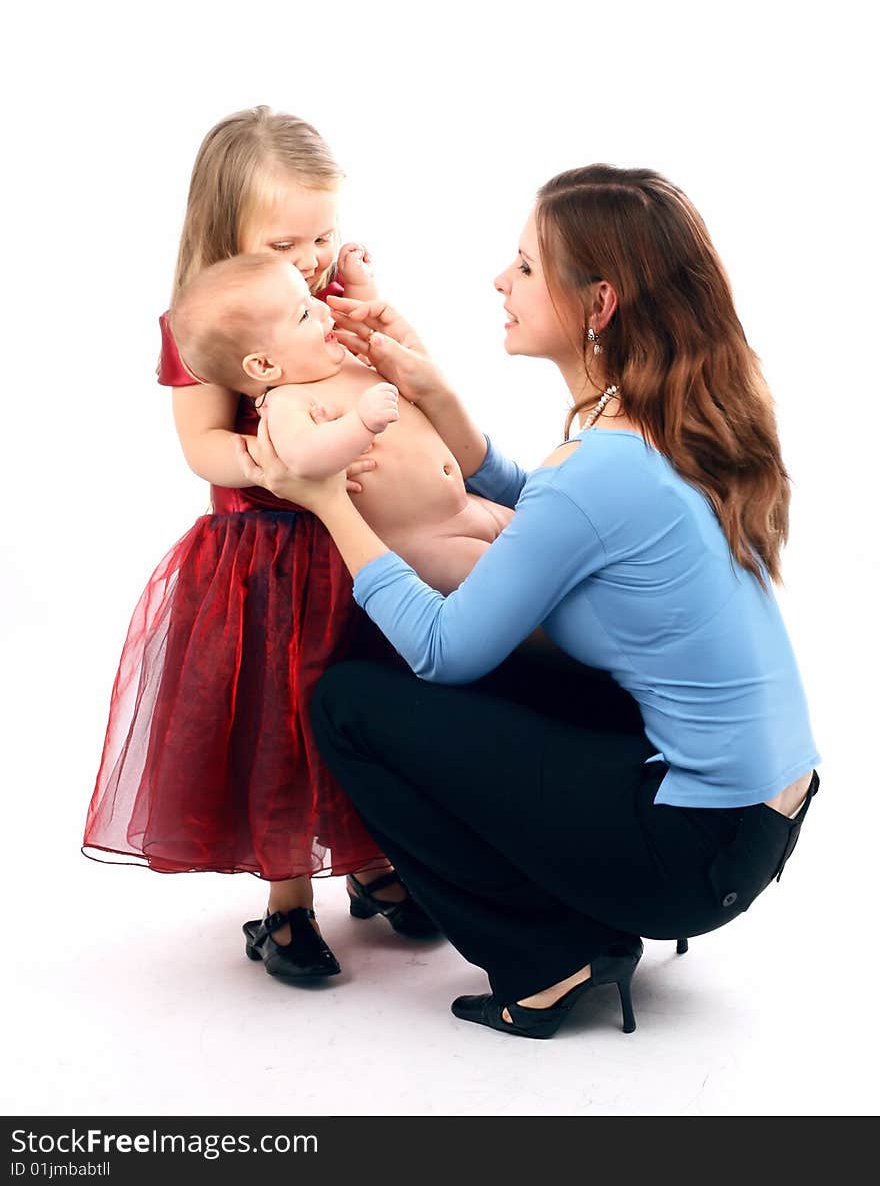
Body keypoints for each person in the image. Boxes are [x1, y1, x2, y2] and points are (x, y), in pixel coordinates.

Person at [243, 164, 821, 1038]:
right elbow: (538, 508)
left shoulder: (600, 467)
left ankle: (545, 956)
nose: (500, 282)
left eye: (523, 265)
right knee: (477, 657)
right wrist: (431, 388)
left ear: (598, 304)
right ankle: (556, 917)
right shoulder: (660, 421)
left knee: (353, 699)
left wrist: (328, 505)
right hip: (748, 819)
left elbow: (444, 647)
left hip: (695, 850)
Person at [83, 107, 442, 985]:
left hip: (355, 547)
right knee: (285, 725)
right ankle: (286, 906)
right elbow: (199, 439)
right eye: (290, 242)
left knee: (362, 710)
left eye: (327, 232)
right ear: (229, 232)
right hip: (267, 562)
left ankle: (367, 860)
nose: (314, 257)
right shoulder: (206, 325)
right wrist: (266, 463)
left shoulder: (320, 303)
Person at [168, 253, 512, 593]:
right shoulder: (287, 403)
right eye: (304, 313)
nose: (321, 308)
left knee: (544, 543)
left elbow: (368, 331)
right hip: (428, 541)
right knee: (511, 586)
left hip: (467, 504)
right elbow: (301, 457)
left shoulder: (337, 357)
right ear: (263, 366)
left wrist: (361, 285)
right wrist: (359, 423)